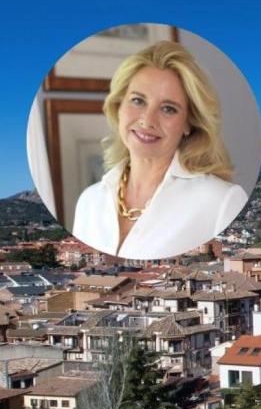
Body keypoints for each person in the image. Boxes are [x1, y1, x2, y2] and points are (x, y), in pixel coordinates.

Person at [72, 41, 247, 259]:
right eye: (138, 100)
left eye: (168, 109)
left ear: (188, 123)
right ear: (119, 107)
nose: (148, 119)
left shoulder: (222, 201)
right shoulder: (89, 201)